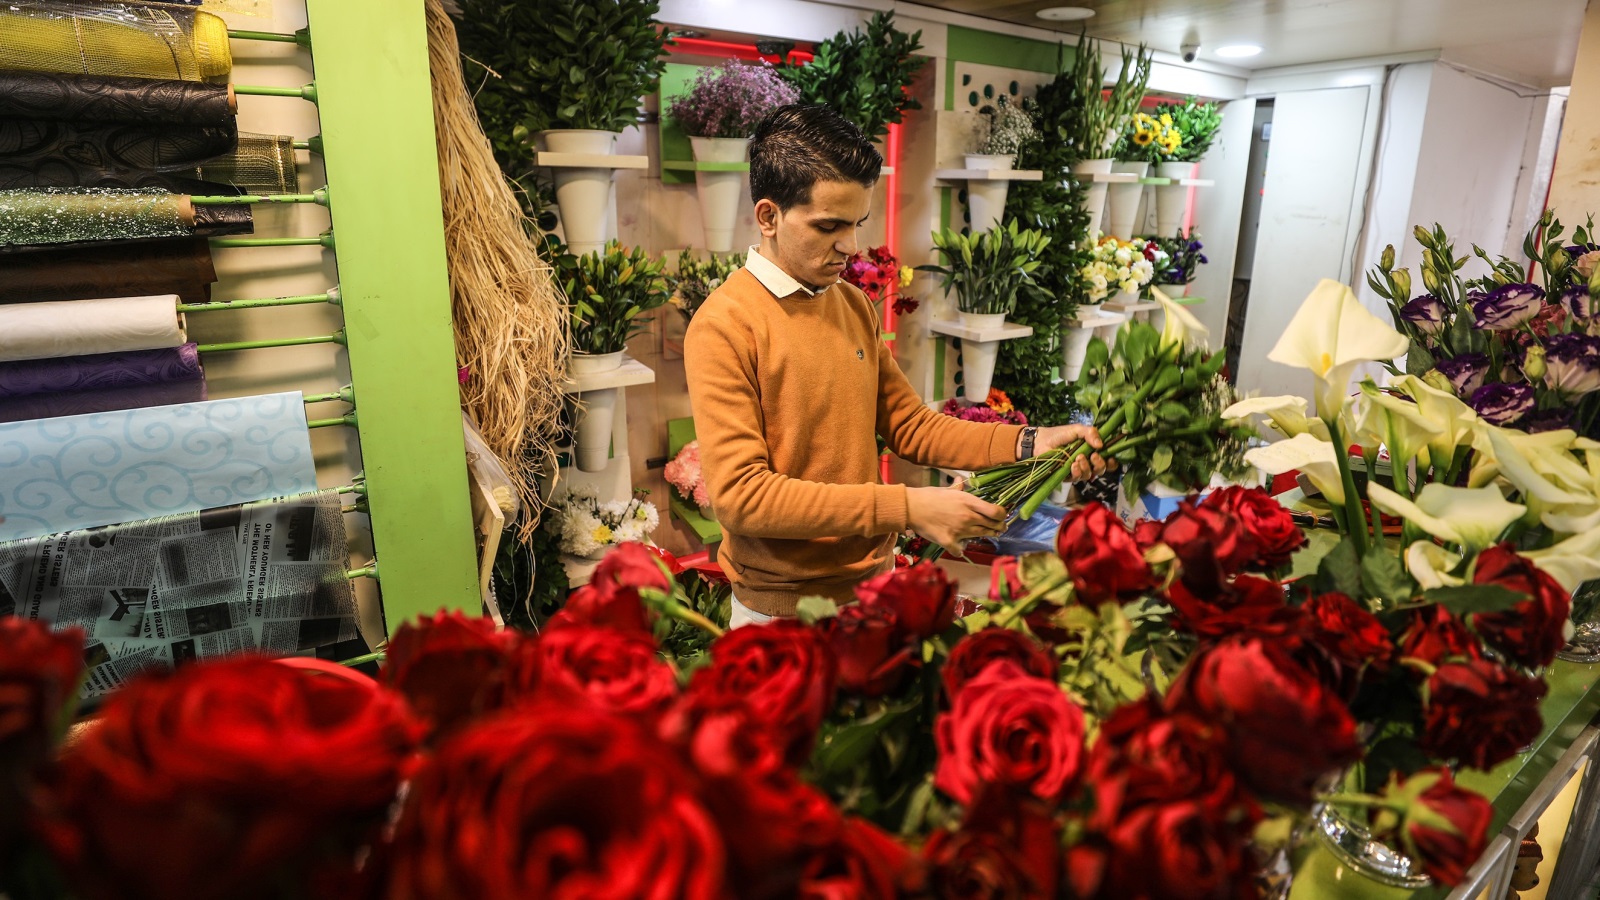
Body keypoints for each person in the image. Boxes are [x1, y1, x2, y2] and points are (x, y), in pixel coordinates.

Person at [684, 104, 1109, 628]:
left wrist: (1030, 443)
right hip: (781, 618)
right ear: (768, 216)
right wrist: (908, 507)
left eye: (857, 223)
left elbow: (910, 425)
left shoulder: (851, 304)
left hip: (873, 593)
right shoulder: (725, 324)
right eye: (828, 226)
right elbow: (743, 498)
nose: (851, 245)